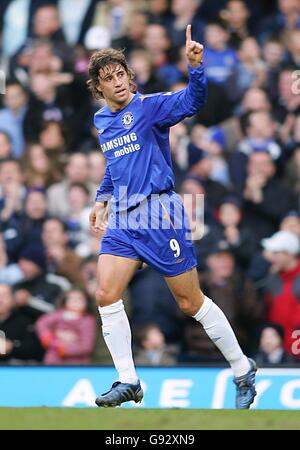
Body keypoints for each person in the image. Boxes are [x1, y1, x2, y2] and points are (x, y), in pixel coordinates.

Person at [88, 25, 257, 409]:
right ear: (99, 89)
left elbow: (192, 102)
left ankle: (242, 367)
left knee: (190, 302)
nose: (117, 83)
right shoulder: (102, 121)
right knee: (106, 294)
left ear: (130, 77)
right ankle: (128, 380)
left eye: (121, 75)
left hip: (159, 213)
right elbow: (115, 165)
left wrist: (196, 67)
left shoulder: (150, 107)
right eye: (108, 79)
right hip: (125, 219)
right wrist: (102, 199)